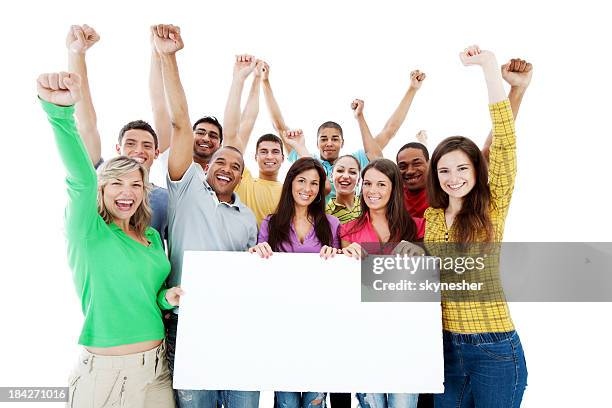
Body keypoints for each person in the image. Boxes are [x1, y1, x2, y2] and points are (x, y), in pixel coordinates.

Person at [38, 71, 182, 407]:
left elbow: (146, 294)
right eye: (116, 183)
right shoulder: (88, 231)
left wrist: (166, 298)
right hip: (107, 374)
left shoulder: (147, 234)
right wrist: (60, 113)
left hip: (158, 369)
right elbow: (80, 179)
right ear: (101, 189)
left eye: (135, 184)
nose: (127, 192)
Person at [153, 24, 259, 408]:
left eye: (234, 163)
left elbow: (249, 269)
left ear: (241, 175)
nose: (226, 166)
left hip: (234, 321)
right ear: (206, 165)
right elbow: (180, 123)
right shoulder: (185, 188)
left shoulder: (247, 217)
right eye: (219, 160)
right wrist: (168, 57)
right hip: (186, 320)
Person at [424, 45, 528, 408]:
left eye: (462, 168)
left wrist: (490, 70)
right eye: (444, 171)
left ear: (476, 170)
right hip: (446, 349)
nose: (453, 178)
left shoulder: (492, 206)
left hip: (495, 349)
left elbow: (504, 145)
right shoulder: (434, 218)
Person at [66, 24, 170, 244]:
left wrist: (157, 52)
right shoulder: (99, 176)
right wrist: (77, 54)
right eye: (131, 143)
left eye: (147, 145)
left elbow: (159, 106)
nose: (139, 150)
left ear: (157, 152)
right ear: (118, 149)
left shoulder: (163, 199)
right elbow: (87, 122)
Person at [250, 157, 341, 408]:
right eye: (301, 180)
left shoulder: (332, 225)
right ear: (290, 183)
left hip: (321, 327)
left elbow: (341, 279)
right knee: (286, 402)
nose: (307, 188)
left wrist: (339, 255)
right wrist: (258, 252)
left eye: (314, 183)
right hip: (282, 327)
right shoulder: (271, 222)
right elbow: (259, 273)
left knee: (315, 401)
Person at [396, 58, 532, 221]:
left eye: (417, 163)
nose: (410, 171)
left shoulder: (449, 185)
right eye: (403, 166)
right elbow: (388, 131)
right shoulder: (392, 190)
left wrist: (516, 91)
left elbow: (495, 146)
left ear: (430, 165)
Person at [340, 158, 424, 408]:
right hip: (365, 335)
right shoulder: (347, 231)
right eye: (367, 184)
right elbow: (344, 285)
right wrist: (345, 256)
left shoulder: (418, 227)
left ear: (393, 188)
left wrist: (421, 250)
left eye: (380, 184)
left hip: (406, 337)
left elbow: (428, 280)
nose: (372, 191)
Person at [261, 63, 386, 202]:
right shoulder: (307, 159)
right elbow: (279, 126)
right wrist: (265, 81)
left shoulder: (352, 162)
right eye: (324, 139)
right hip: (318, 220)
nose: (329, 143)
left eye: (335, 139)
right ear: (317, 143)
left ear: (342, 142)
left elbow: (387, 134)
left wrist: (360, 116)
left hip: (349, 219)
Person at [222, 56, 290, 226]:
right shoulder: (243, 179)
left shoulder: (288, 192)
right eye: (263, 152)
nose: (269, 156)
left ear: (282, 158)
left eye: (275, 152)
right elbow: (247, 122)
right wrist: (255, 79)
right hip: (241, 250)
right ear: (255, 157)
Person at [149, 26, 224, 170]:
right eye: (200, 132)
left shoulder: (220, 179)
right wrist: (157, 52)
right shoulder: (172, 158)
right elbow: (159, 105)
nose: (206, 138)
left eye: (213, 135)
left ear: (220, 144)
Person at [325, 155, 362, 224]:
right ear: (331, 176)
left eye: (352, 172)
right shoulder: (326, 214)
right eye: (340, 171)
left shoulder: (366, 206)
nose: (345, 176)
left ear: (359, 180)